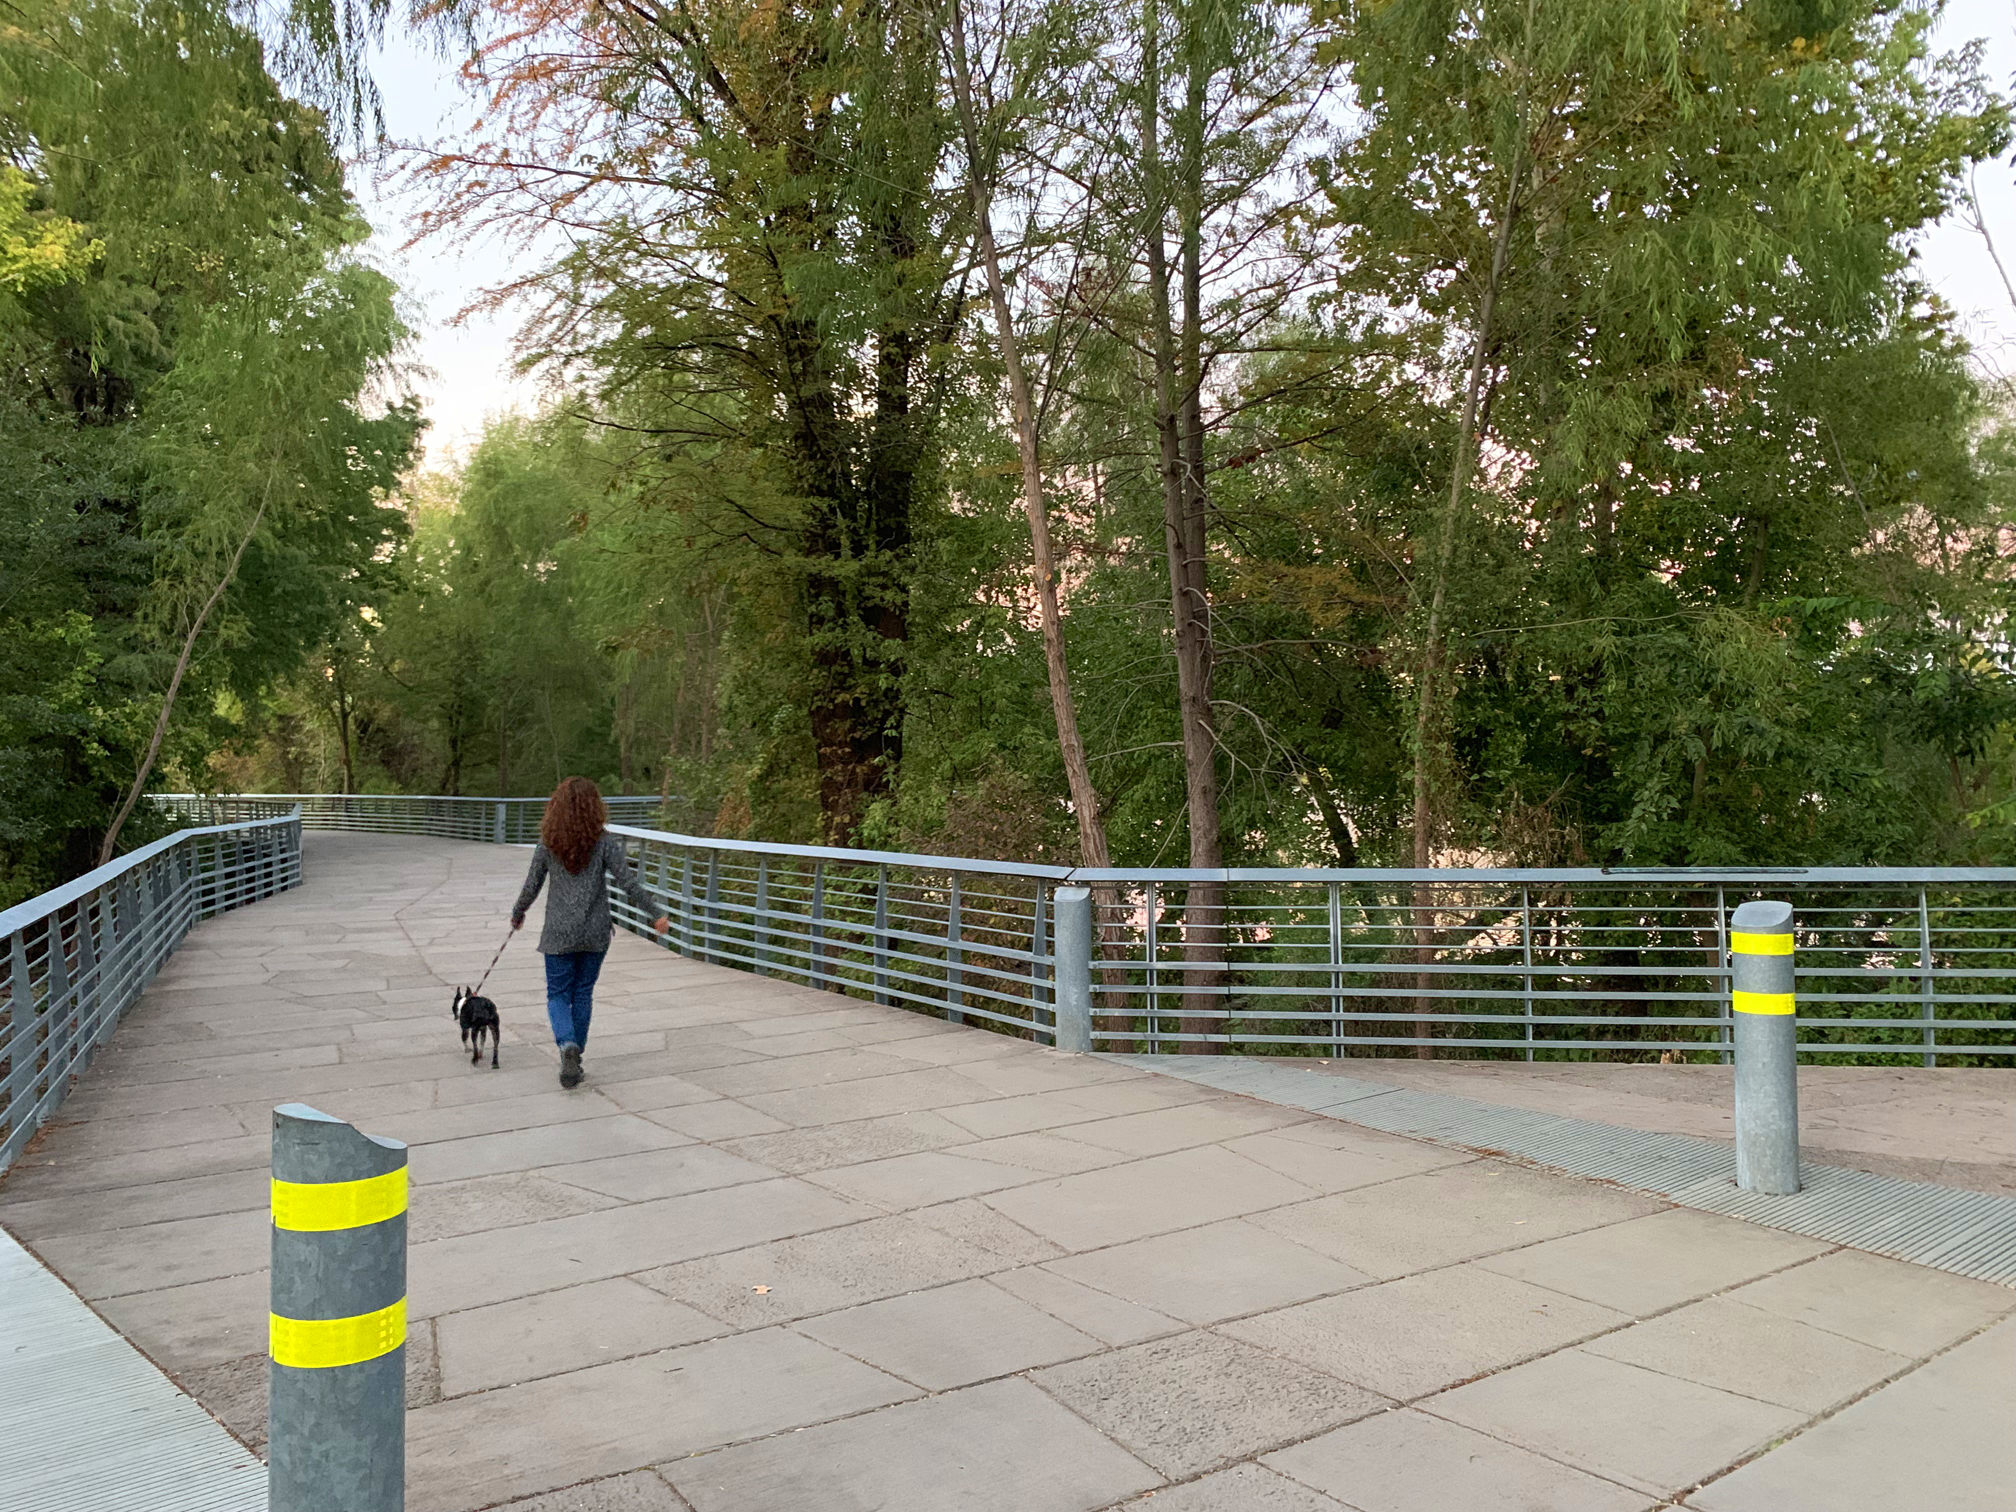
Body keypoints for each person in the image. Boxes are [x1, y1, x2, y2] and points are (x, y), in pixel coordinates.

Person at [511, 776, 668, 1088]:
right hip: (595, 930)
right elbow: (628, 882)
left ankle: (567, 1045)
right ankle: (576, 1054)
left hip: (558, 932)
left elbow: (532, 885)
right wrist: (656, 913)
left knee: (558, 994)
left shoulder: (548, 841)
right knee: (582, 992)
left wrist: (518, 912)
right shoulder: (604, 842)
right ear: (596, 808)